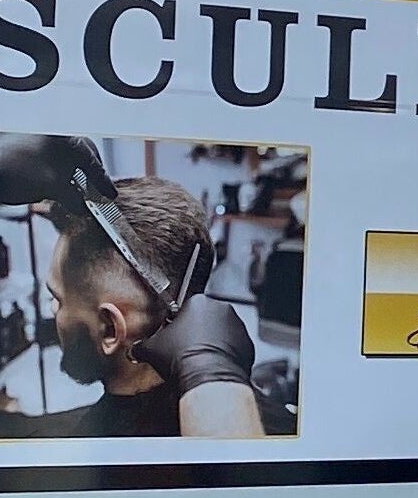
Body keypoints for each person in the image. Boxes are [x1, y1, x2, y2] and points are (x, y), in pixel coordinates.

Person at [0, 133, 287, 439]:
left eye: (57, 298)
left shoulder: (37, 450)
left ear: (110, 329)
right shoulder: (284, 431)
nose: (51, 308)